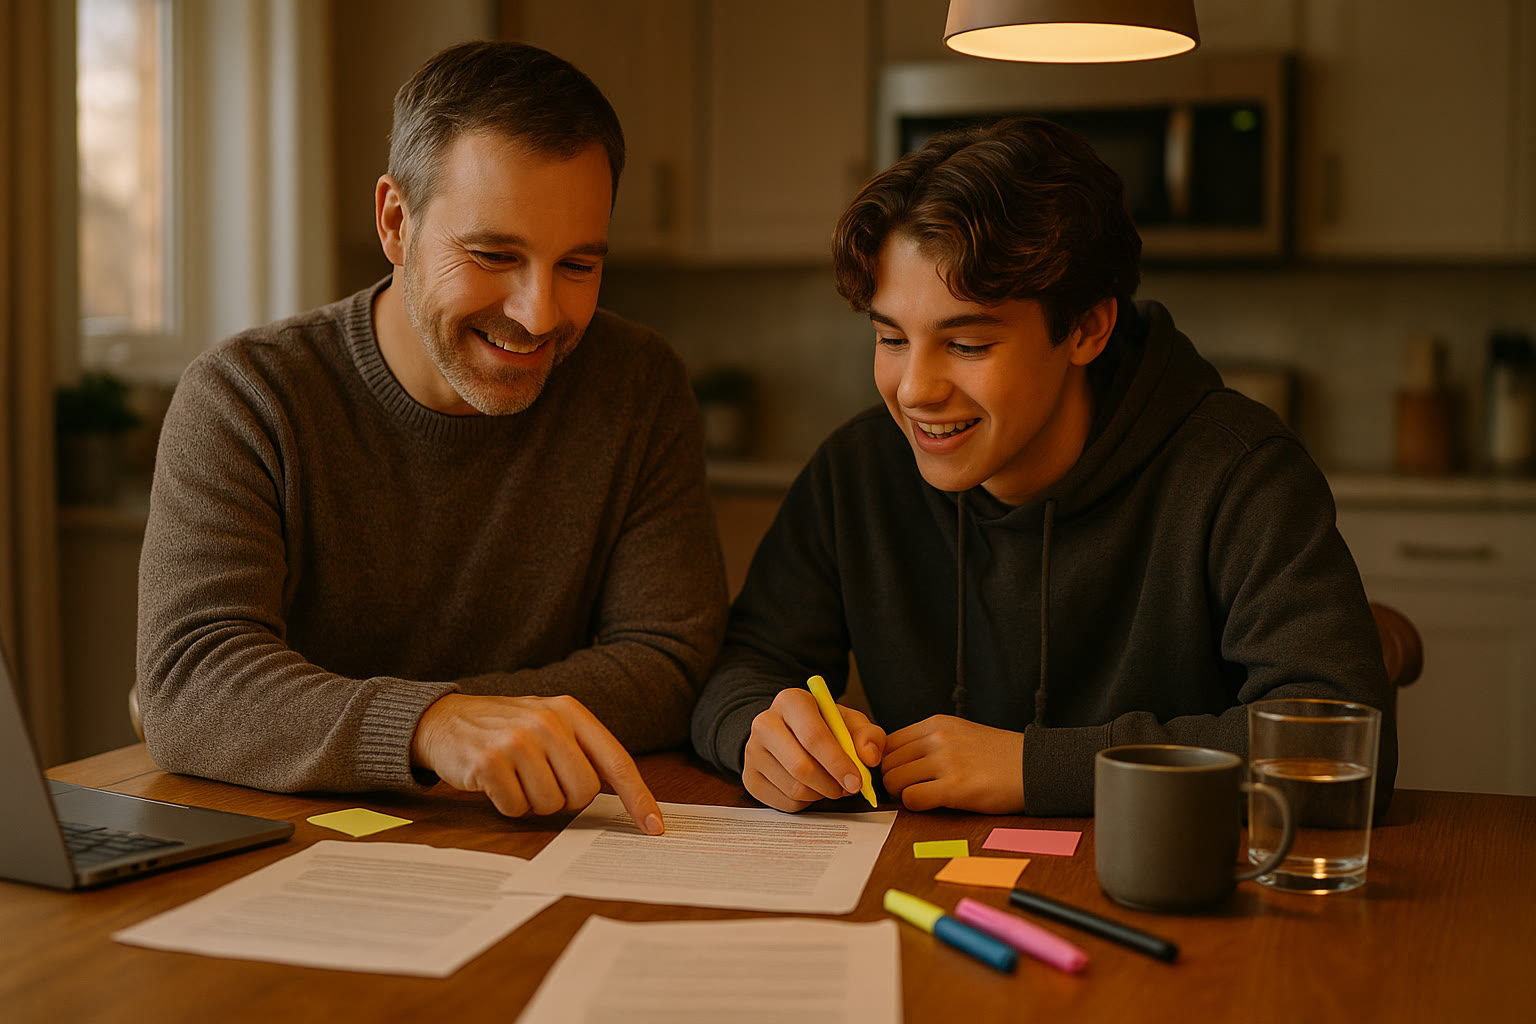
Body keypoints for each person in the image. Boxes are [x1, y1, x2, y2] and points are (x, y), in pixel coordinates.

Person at [691, 116, 1396, 817]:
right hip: (938, 890)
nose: (914, 390)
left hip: (1178, 896)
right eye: (891, 337)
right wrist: (760, 729)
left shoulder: (1238, 472)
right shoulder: (857, 471)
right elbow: (741, 667)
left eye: (967, 345)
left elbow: (1339, 745)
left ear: (1086, 328)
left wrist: (1038, 767)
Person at [137, 41, 728, 836]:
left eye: (578, 265)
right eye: (493, 255)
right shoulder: (247, 395)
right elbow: (191, 685)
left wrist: (418, 722)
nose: (539, 313)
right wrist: (432, 726)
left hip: (524, 835)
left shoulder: (638, 387)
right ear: (394, 221)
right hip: (287, 842)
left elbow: (668, 663)